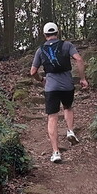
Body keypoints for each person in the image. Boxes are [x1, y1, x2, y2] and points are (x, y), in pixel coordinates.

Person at [30, 22, 89, 163]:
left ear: (45, 35)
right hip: (67, 85)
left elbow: (33, 72)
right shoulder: (67, 45)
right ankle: (70, 130)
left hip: (51, 87)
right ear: (58, 32)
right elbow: (79, 59)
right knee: (68, 107)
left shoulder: (40, 50)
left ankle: (56, 152)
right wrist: (82, 78)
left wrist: (41, 80)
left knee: (52, 117)